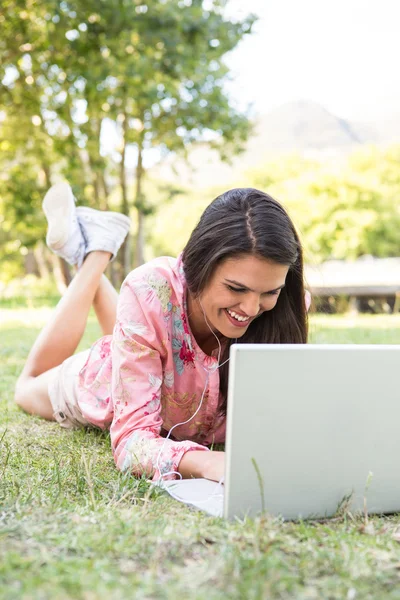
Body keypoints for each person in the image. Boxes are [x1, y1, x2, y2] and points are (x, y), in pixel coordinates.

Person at [15, 183, 309, 483]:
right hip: (103, 382)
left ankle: (90, 246)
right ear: (199, 265)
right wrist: (206, 463)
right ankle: (98, 253)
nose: (251, 307)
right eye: (236, 288)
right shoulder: (150, 290)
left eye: (269, 291)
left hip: (148, 353)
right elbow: (132, 443)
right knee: (25, 387)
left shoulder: (282, 310)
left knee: (145, 324)